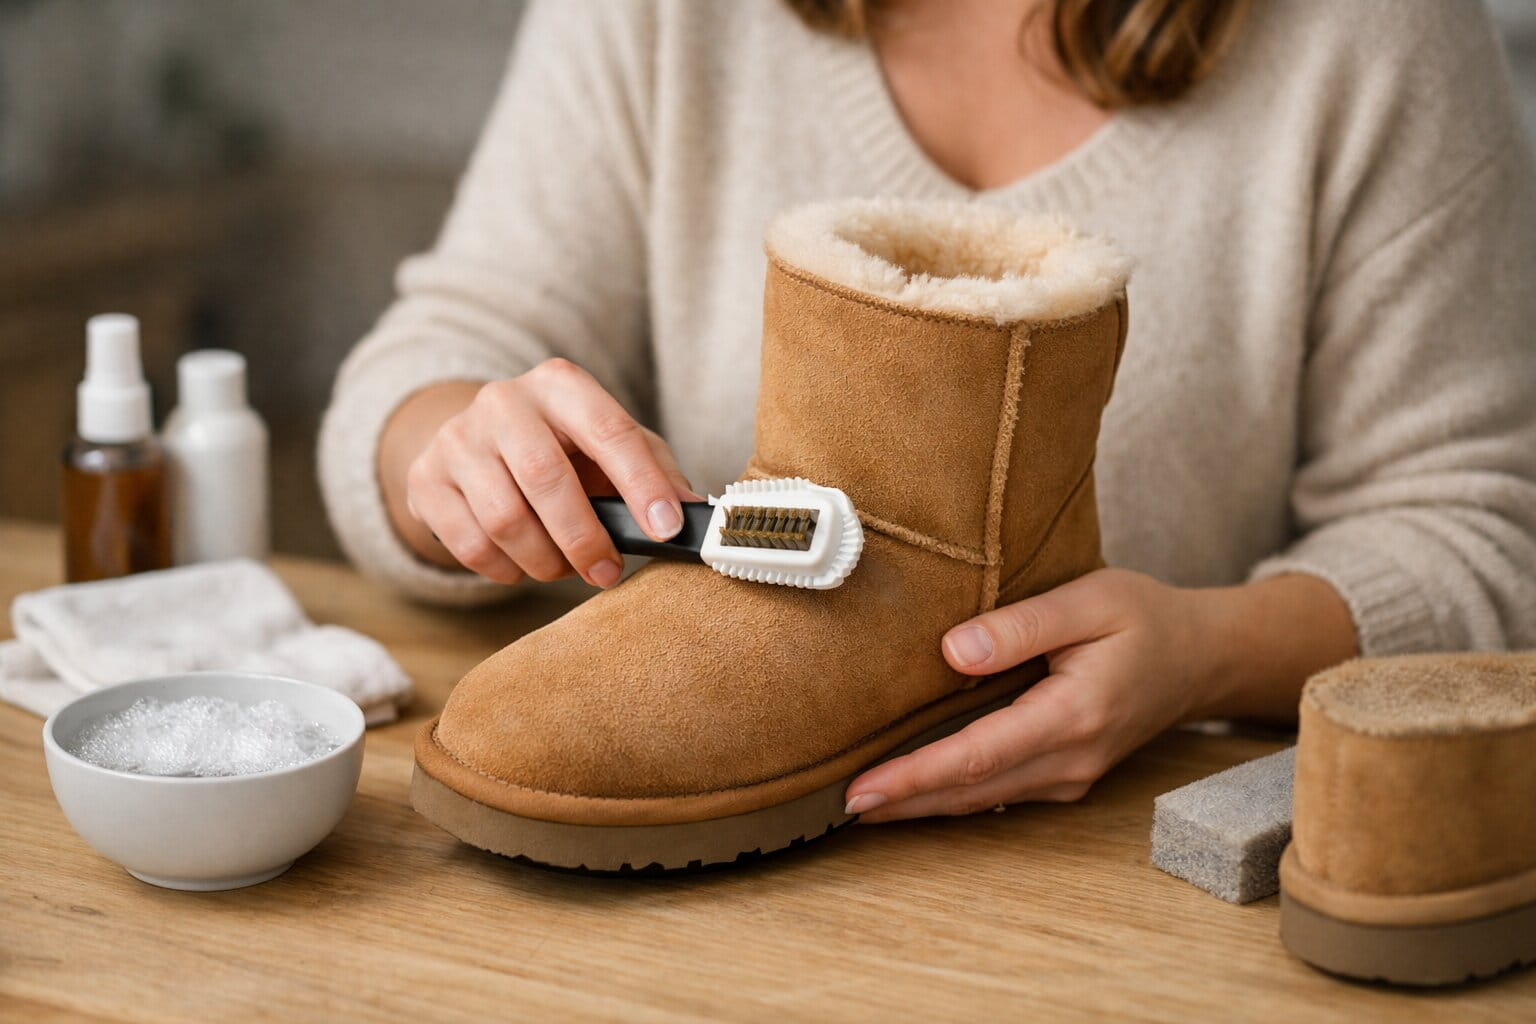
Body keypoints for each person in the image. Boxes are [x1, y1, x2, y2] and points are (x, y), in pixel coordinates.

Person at [319, 0, 1536, 823]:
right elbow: (440, 351)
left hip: (1154, 853)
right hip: (718, 814)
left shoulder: (1377, 34)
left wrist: (1204, 651)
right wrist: (457, 454)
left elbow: (1476, 527)